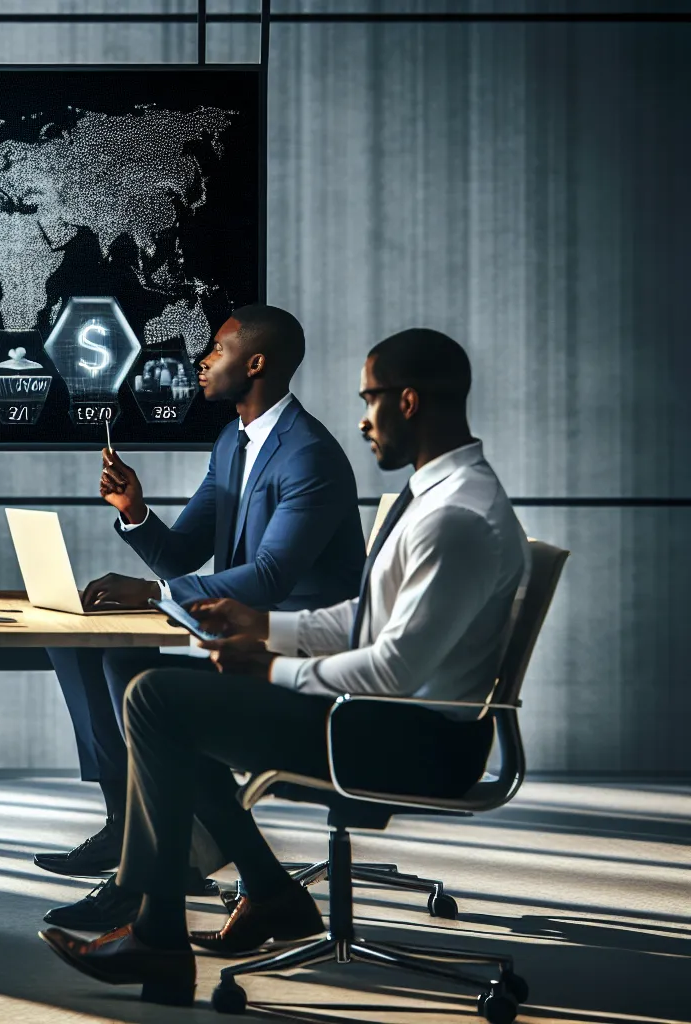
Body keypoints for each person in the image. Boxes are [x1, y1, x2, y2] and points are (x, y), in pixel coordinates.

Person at [39, 329, 526, 1007]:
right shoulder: (440, 495)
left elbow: (387, 665)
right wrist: (264, 627)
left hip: (409, 739)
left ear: (408, 401)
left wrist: (269, 667)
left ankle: (159, 925)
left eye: (371, 400)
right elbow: (364, 619)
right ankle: (253, 897)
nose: (362, 418)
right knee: (165, 701)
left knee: (159, 701)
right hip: (383, 716)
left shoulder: (455, 517)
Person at [35, 305, 363, 932]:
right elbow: (184, 552)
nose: (203, 360)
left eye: (217, 348)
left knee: (139, 677)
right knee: (81, 645)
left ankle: (148, 867)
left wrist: (154, 591)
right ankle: (123, 829)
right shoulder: (233, 443)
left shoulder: (308, 455)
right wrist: (134, 509)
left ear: (256, 363)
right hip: (232, 633)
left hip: (296, 654)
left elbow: (269, 578)